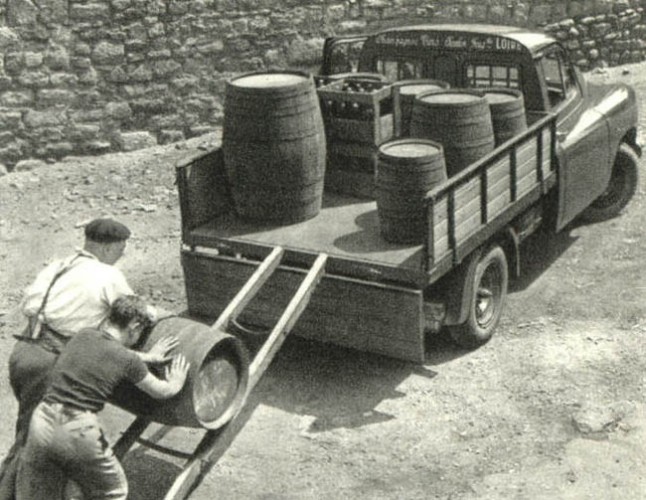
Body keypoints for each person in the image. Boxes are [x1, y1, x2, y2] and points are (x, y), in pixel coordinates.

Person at [0, 218, 171, 500]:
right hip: (50, 360)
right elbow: (141, 314)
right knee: (40, 446)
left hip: (24, 352)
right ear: (106, 248)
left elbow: (29, 303)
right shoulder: (107, 275)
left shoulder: (61, 264)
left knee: (29, 432)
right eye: (121, 248)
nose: (122, 255)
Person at [15, 295, 190, 500]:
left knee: (36, 492)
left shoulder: (84, 335)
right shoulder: (126, 359)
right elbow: (161, 391)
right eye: (141, 330)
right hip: (76, 428)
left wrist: (147, 357)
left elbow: (106, 351)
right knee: (113, 492)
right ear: (134, 326)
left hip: (42, 418)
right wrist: (176, 382)